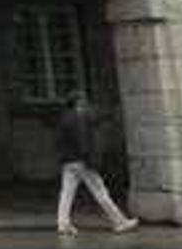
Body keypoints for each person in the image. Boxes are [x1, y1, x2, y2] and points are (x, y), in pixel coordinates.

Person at [55, 93, 139, 235]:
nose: (86, 105)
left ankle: (63, 224)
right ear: (78, 103)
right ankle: (119, 222)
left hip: (68, 161)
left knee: (66, 193)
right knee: (100, 192)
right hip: (81, 161)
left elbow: (59, 142)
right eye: (83, 102)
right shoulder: (77, 118)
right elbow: (82, 141)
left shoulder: (64, 118)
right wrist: (89, 159)